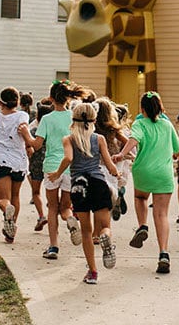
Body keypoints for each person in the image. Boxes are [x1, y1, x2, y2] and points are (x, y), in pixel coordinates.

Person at [51, 103, 119, 284]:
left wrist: (57, 174)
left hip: (79, 187)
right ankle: (105, 237)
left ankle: (93, 272)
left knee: (87, 232)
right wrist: (116, 173)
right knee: (105, 225)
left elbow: (68, 158)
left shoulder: (69, 139)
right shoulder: (100, 139)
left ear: (72, 119)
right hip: (98, 183)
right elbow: (110, 166)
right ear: (94, 119)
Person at [112, 91, 179, 274]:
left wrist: (121, 154)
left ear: (142, 109)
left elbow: (134, 139)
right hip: (164, 174)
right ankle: (164, 253)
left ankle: (142, 225)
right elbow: (177, 149)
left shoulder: (140, 123)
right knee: (162, 214)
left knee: (141, 198)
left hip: (144, 171)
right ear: (160, 107)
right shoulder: (167, 125)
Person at [26, 80, 86, 259]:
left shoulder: (46, 119)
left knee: (52, 208)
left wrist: (25, 135)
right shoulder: (74, 118)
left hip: (52, 168)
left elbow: (37, 146)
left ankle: (53, 247)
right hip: (70, 167)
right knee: (66, 206)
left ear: (51, 98)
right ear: (69, 98)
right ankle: (70, 219)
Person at [0, 87, 33, 244]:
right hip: (18, 161)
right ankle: (11, 229)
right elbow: (24, 131)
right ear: (17, 102)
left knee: (3, 199)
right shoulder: (22, 115)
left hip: (0, 161)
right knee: (15, 196)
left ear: (0, 102)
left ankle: (7, 210)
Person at [93, 98, 130, 221]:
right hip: (113, 163)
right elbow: (127, 142)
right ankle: (105, 224)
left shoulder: (92, 128)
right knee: (109, 195)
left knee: (98, 197)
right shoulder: (112, 128)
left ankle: (98, 227)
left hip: (97, 162)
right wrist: (123, 153)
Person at [28, 99, 54, 232]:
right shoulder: (54, 132)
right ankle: (53, 210)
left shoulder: (34, 131)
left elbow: (30, 147)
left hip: (37, 163)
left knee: (36, 192)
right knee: (52, 192)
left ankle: (41, 216)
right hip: (51, 163)